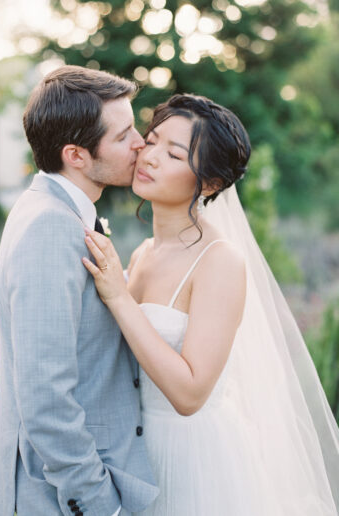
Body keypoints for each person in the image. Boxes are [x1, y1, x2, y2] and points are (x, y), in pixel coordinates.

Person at [83, 93, 339, 515]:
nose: (150, 156)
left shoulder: (219, 261)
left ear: (210, 183)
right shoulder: (142, 253)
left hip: (192, 462)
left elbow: (190, 393)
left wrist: (116, 295)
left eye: (174, 153)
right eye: (152, 139)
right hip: (133, 453)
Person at [0, 65, 159, 516]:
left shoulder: (54, 209)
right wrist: (100, 505)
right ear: (76, 155)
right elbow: (45, 398)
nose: (140, 142)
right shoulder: (50, 226)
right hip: (56, 499)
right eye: (123, 136)